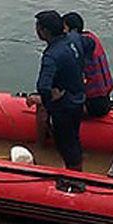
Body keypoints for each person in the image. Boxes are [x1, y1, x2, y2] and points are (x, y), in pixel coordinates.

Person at [28, 10, 87, 171]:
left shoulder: (51, 56)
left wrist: (48, 102)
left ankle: (74, 178)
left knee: (66, 143)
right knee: (73, 138)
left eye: (38, 28)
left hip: (64, 107)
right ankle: (75, 166)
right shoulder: (74, 39)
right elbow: (89, 45)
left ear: (45, 31)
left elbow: (43, 86)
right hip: (78, 98)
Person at [64, 12, 113, 117]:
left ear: (73, 30)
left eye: (64, 28)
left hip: (93, 104)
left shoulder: (77, 47)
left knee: (55, 108)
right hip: (105, 98)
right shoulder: (91, 38)